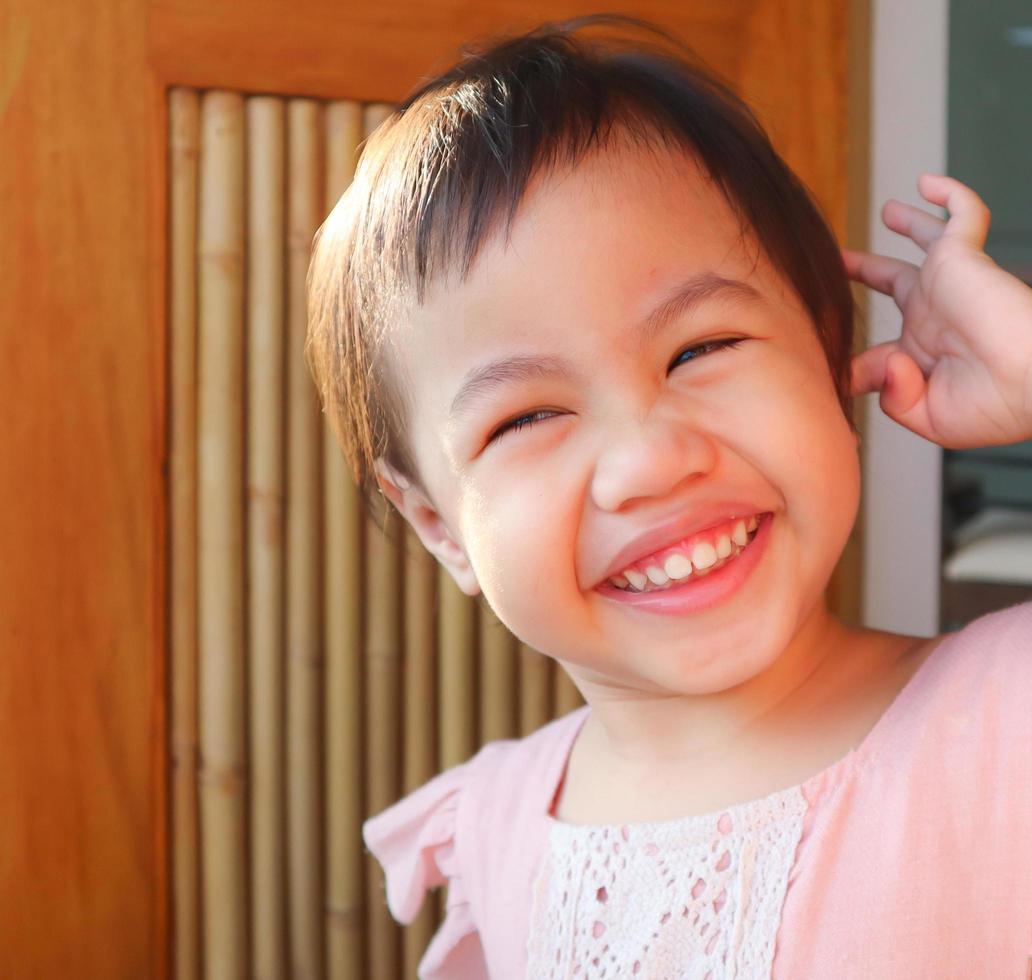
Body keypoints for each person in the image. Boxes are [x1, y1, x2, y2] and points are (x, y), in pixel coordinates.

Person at [305, 14, 1032, 978]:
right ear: (439, 524)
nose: (648, 461)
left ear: (826, 356)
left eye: (701, 350)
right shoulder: (495, 833)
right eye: (525, 418)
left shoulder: (1002, 720)